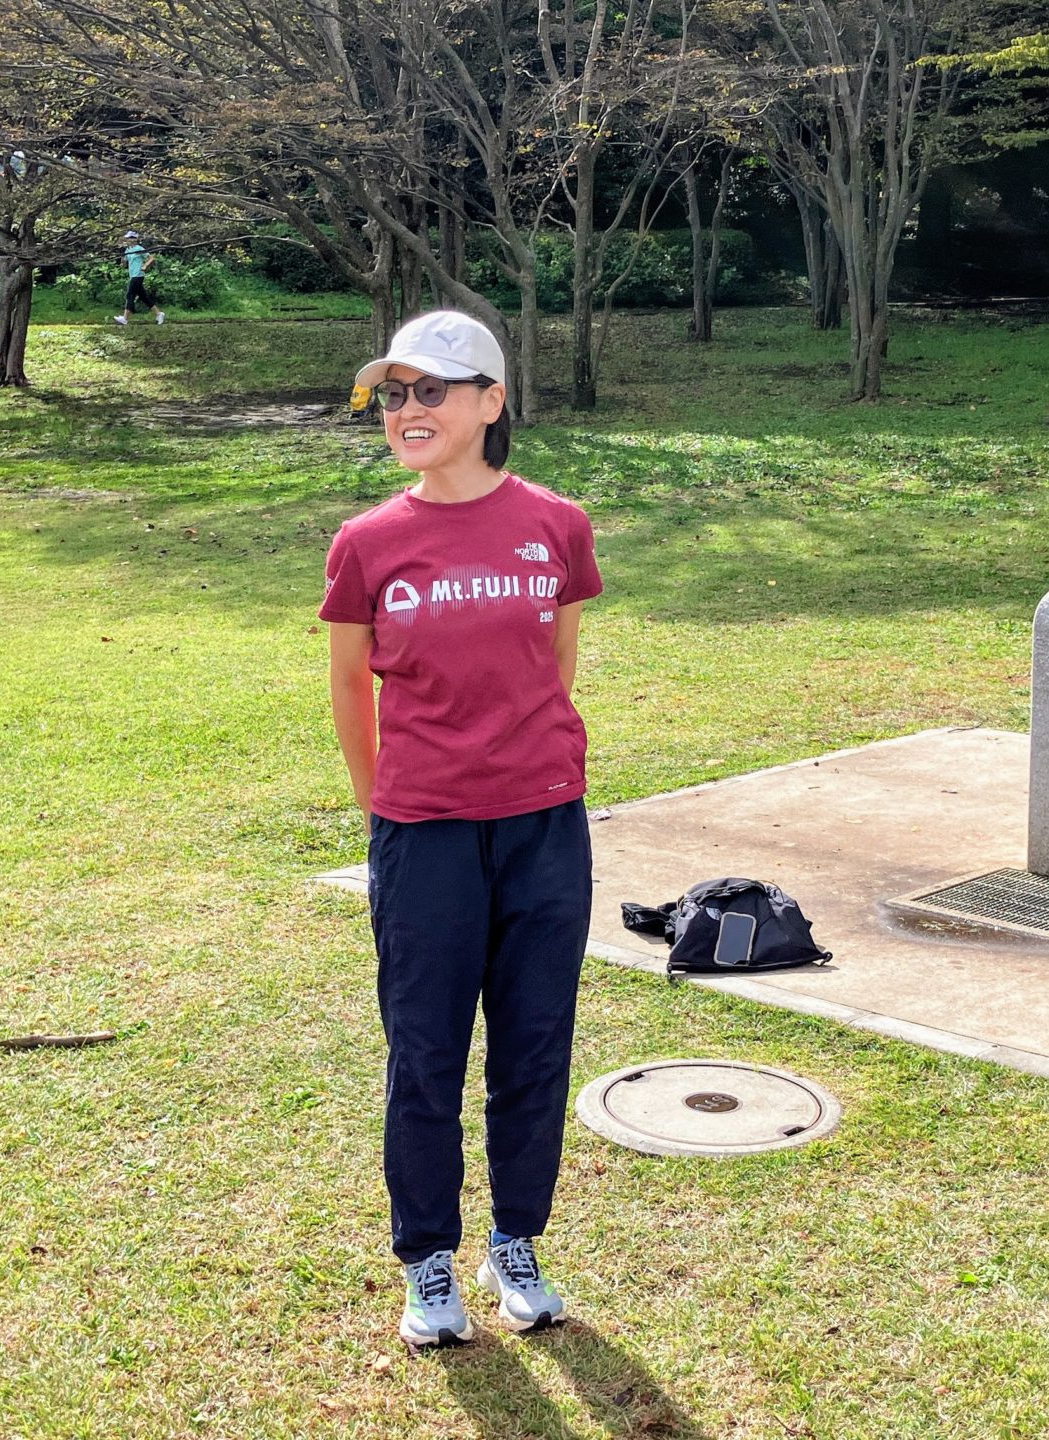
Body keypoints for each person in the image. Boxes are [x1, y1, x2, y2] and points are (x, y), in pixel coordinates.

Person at [322, 310, 601, 1346]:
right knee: (425, 1052)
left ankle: (515, 1242)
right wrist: (387, 805)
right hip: (424, 834)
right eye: (394, 394)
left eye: (432, 390)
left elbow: (554, 664)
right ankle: (428, 1262)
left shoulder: (558, 524)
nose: (408, 409)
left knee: (535, 1043)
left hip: (544, 826)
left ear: (491, 402)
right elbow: (349, 686)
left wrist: (519, 763)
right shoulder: (367, 542)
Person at [113, 230, 163, 326]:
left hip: (138, 275)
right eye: (128, 238)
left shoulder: (139, 249)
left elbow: (151, 258)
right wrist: (122, 258)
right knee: (144, 297)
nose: (129, 240)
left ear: (135, 239)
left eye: (131, 238)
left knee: (130, 295)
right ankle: (159, 314)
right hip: (132, 275)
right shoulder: (127, 250)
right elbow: (123, 265)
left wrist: (145, 266)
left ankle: (125, 318)